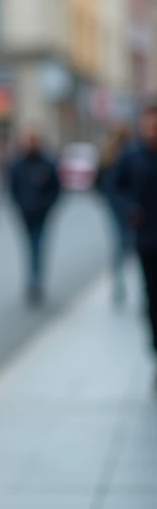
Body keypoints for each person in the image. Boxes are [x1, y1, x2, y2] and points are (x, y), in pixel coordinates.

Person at [116, 102, 157, 356]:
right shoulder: (131, 156)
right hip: (147, 239)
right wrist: (129, 208)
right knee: (152, 296)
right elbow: (115, 186)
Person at [7, 130, 62, 307]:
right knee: (30, 246)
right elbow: (12, 187)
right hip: (26, 213)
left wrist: (47, 206)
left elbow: (56, 188)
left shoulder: (46, 163)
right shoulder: (18, 164)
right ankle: (33, 280)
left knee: (37, 246)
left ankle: (35, 281)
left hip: (41, 213)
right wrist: (19, 205)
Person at [97, 123, 136, 305]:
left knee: (121, 244)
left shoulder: (110, 153)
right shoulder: (125, 154)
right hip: (124, 205)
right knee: (125, 243)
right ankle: (120, 283)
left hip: (117, 205)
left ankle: (119, 283)